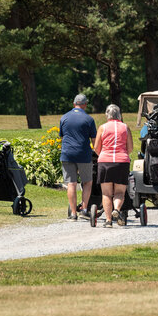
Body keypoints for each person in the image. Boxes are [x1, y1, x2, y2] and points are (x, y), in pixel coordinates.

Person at [93, 103, 134, 227]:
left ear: (107, 115)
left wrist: (103, 154)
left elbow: (96, 148)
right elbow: (130, 148)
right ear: (119, 115)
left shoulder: (102, 127)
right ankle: (117, 209)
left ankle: (108, 220)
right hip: (121, 161)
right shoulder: (125, 127)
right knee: (120, 192)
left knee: (106, 193)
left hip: (105, 161)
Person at [59, 93, 97, 221]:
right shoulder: (89, 119)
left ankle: (73, 213)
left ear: (73, 104)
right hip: (83, 154)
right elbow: (94, 141)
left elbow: (63, 137)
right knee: (87, 182)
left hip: (67, 153)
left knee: (71, 183)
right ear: (85, 104)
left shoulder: (64, 118)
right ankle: (84, 209)